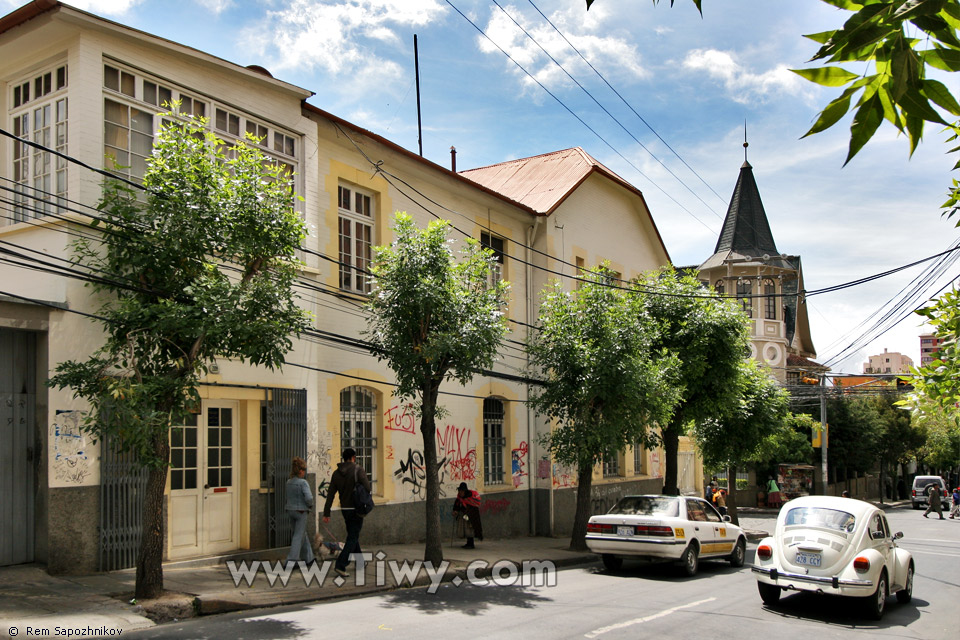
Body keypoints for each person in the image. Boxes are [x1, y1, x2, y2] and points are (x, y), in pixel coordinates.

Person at [323, 448, 372, 578]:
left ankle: (360, 562)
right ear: (353, 457)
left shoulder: (336, 474)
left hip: (345, 509)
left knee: (352, 534)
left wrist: (326, 512)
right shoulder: (358, 469)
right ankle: (341, 564)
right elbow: (368, 487)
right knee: (352, 537)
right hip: (356, 508)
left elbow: (331, 494)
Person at [285, 456, 315, 566]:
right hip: (301, 511)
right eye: (304, 470)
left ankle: (309, 557)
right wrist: (310, 505)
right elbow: (309, 498)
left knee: (301, 533)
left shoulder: (289, 482)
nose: (305, 473)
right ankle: (291, 560)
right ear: (301, 471)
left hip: (290, 510)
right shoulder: (303, 483)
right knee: (298, 535)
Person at [453, 482, 484, 549]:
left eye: (462, 491)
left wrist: (469, 513)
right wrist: (455, 510)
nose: (460, 492)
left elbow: (473, 507)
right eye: (460, 491)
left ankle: (471, 544)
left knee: (470, 529)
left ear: (465, 491)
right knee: (465, 529)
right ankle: (468, 543)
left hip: (471, 516)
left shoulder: (471, 497)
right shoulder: (459, 498)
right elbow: (457, 504)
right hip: (464, 516)